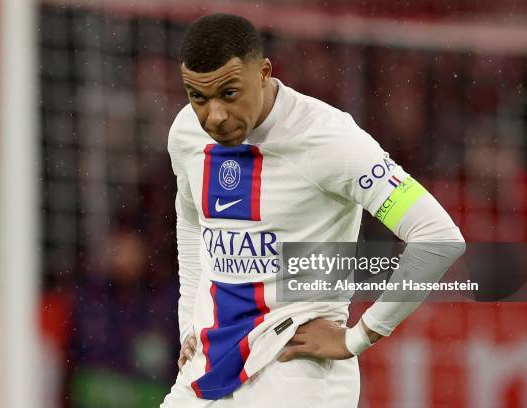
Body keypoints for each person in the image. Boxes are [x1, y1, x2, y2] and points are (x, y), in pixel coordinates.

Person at [161, 13, 465, 407]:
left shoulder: (328, 139)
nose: (214, 116)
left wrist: (361, 334)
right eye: (198, 97)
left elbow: (438, 238)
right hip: (207, 366)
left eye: (229, 94)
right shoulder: (186, 134)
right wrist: (190, 324)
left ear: (265, 72)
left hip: (296, 371)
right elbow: (191, 224)